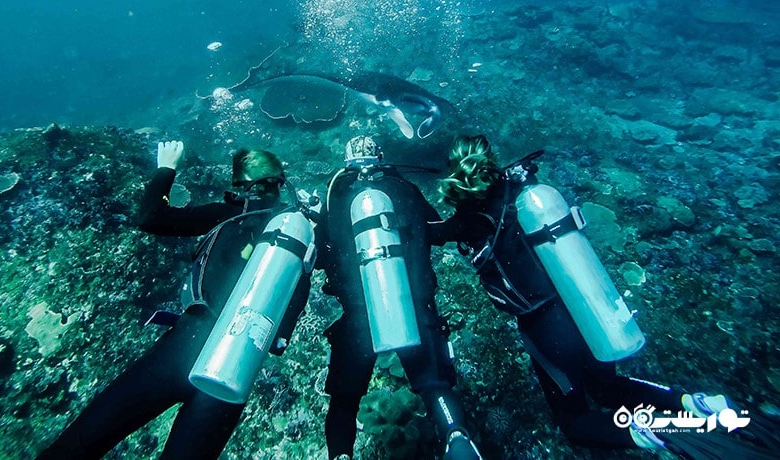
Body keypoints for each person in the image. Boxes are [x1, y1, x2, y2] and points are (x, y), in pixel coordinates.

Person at [430, 134, 778, 459]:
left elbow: (430, 232)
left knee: (577, 424)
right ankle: (696, 403)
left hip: (547, 331)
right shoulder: (523, 193)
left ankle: (655, 430)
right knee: (609, 389)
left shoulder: (466, 220)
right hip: (587, 307)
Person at [38, 141, 313, 459]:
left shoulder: (223, 215)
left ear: (238, 185)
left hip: (181, 349)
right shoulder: (295, 238)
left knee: (75, 448)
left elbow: (150, 217)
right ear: (281, 184)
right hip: (232, 370)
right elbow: (283, 333)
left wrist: (167, 165)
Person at [314, 136, 482, 460]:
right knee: (435, 387)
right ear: (380, 157)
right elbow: (440, 231)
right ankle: (457, 437)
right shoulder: (405, 188)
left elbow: (321, 256)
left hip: (358, 317)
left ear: (346, 163)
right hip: (415, 307)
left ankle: (340, 456)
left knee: (345, 401)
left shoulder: (336, 197)